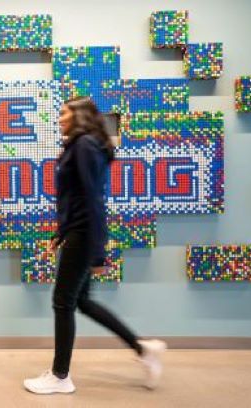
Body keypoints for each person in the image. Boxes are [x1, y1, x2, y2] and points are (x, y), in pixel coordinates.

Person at [24, 97, 167, 394]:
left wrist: (96, 247)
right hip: (78, 231)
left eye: (64, 113)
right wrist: (60, 233)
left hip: (84, 233)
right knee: (81, 301)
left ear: (81, 116)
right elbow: (75, 198)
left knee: (62, 301)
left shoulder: (85, 145)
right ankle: (143, 349)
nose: (60, 118)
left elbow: (92, 199)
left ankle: (60, 376)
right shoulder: (80, 144)